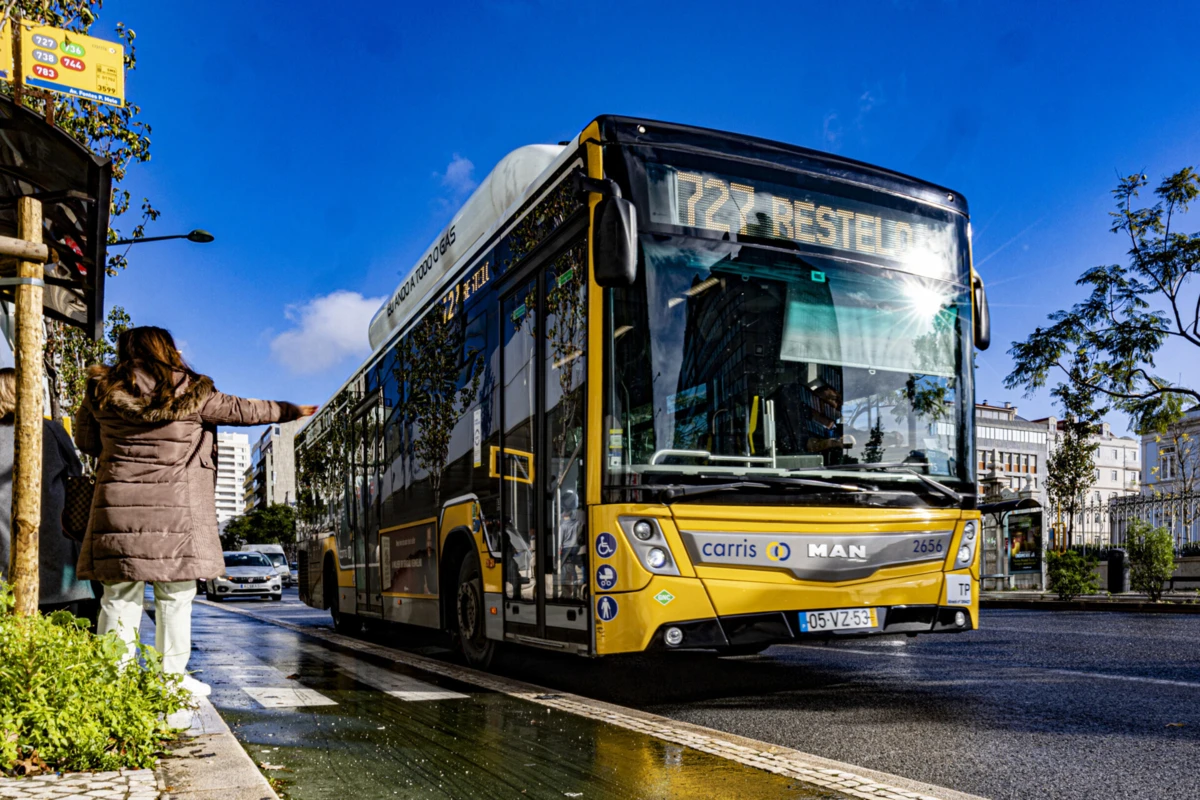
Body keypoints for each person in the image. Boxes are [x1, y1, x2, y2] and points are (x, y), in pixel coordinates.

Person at [74, 327, 315, 697]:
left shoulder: (101, 391)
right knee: (175, 595)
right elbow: (246, 411)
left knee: (119, 596)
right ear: (168, 349)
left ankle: (112, 685)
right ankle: (169, 680)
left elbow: (87, 442)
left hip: (116, 511)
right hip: (176, 513)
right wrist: (290, 411)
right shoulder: (191, 390)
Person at [0, 367, 96, 621]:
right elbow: (75, 472)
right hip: (53, 542)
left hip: (4, 544)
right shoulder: (51, 430)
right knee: (62, 623)